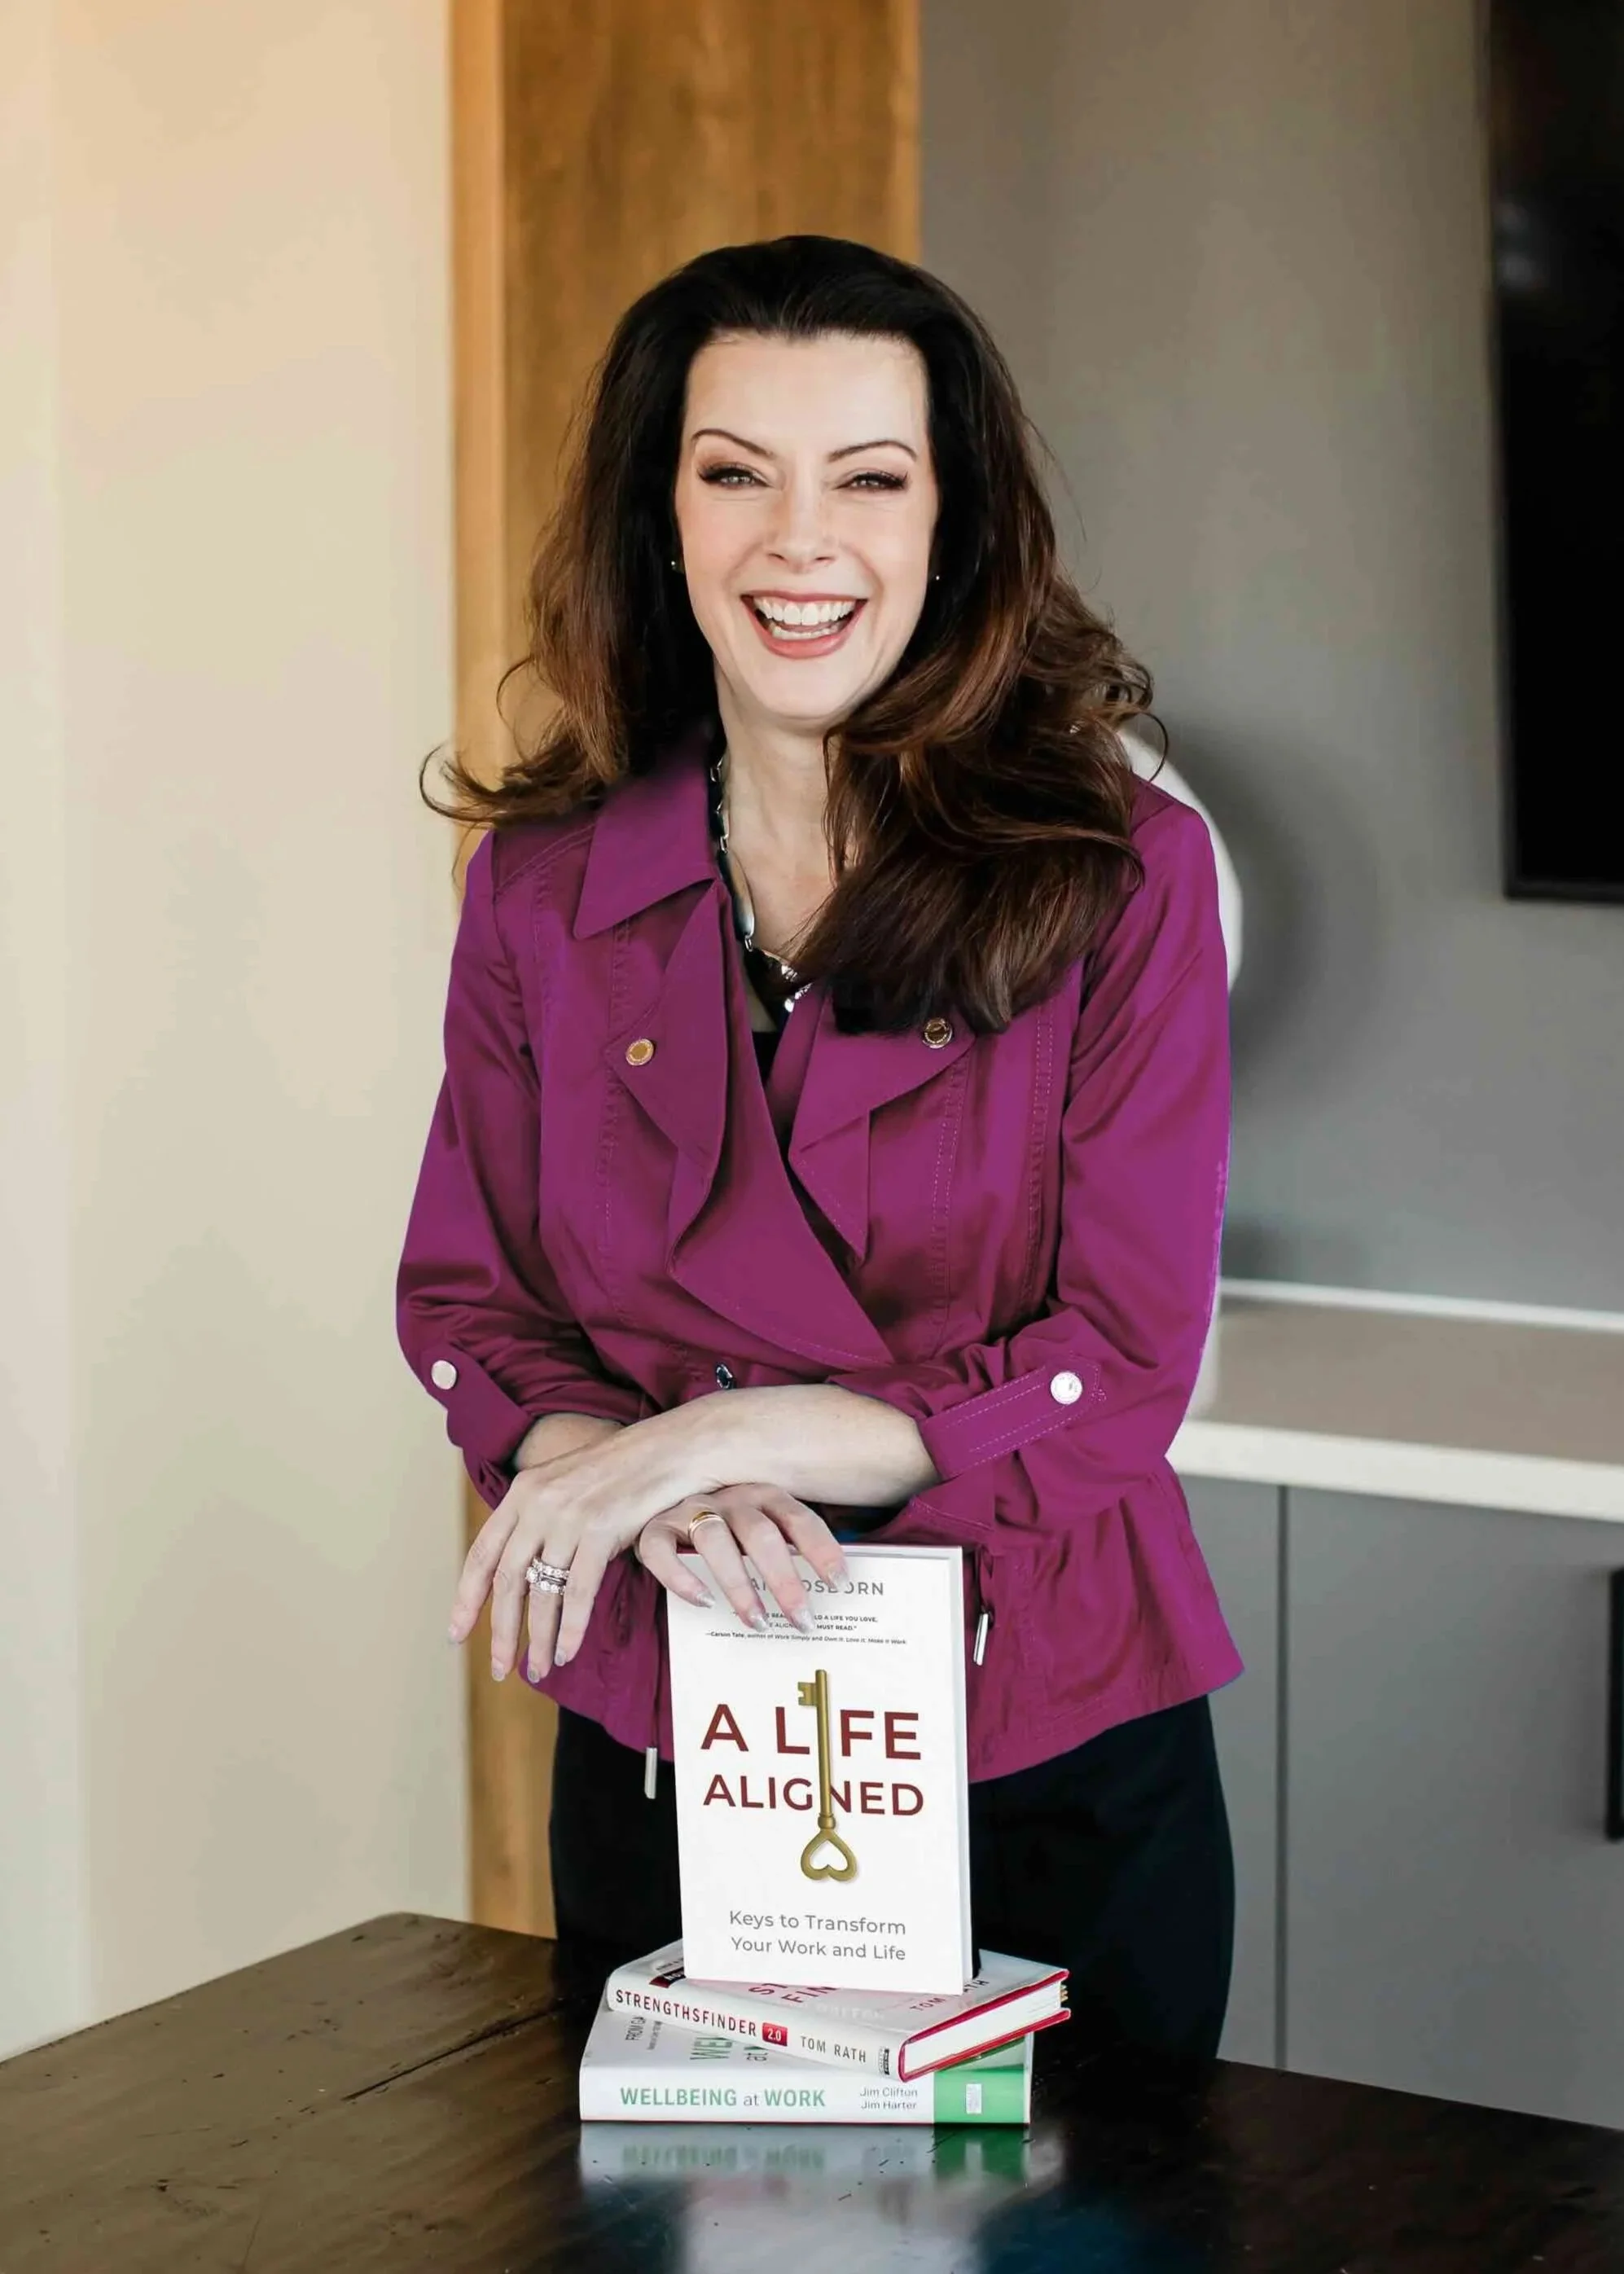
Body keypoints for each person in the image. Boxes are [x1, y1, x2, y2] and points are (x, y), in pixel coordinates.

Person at [397, 235, 1244, 2092]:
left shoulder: (1119, 875)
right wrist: (607, 1475)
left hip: (1044, 1736)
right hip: (679, 1733)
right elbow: (474, 1305)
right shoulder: (537, 892)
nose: (802, 542)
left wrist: (703, 1440)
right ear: (660, 511)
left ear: (953, 523)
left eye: (869, 476)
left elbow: (1119, 1364)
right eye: (733, 472)